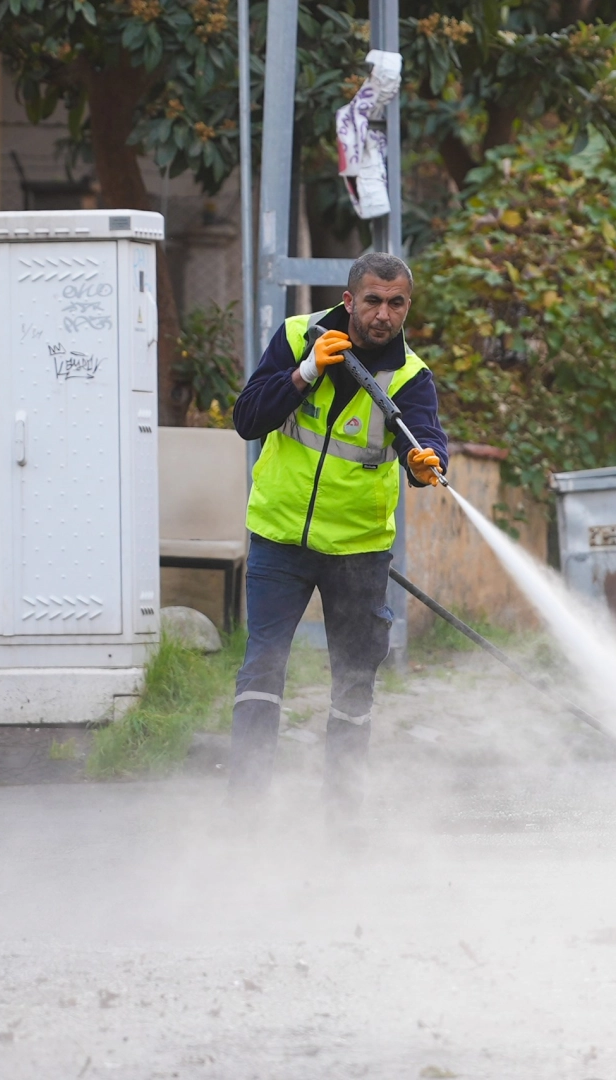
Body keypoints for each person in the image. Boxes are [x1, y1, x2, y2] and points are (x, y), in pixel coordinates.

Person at [229, 252, 449, 814]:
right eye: (372, 300)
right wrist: (304, 373)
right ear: (349, 301)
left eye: (395, 303)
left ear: (407, 307)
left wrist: (427, 464)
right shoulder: (298, 337)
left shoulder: (409, 376)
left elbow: (422, 440)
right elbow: (248, 418)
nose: (383, 314)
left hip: (358, 553)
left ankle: (343, 815)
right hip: (280, 540)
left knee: (354, 683)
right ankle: (245, 808)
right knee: (262, 668)